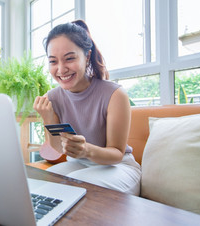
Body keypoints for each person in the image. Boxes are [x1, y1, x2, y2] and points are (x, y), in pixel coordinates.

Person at [33, 20, 141, 195]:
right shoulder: (52, 97)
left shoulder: (115, 94)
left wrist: (86, 150)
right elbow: (59, 149)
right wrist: (48, 118)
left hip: (119, 167)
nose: (61, 69)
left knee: (78, 190)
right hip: (79, 163)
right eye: (53, 61)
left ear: (87, 56)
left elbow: (117, 154)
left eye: (69, 58)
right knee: (41, 184)